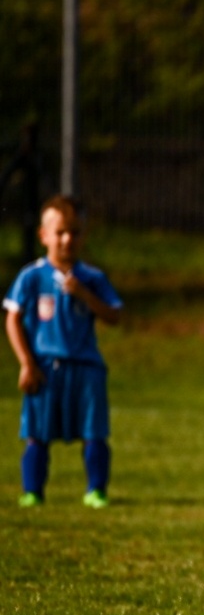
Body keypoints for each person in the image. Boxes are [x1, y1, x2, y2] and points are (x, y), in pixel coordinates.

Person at [5, 196, 123, 507]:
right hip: (44, 365)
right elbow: (12, 319)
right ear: (44, 235)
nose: (67, 239)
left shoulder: (91, 278)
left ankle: (96, 490)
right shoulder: (31, 277)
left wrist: (85, 296)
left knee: (94, 431)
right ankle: (33, 491)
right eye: (60, 232)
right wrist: (26, 363)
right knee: (37, 432)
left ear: (83, 235)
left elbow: (114, 315)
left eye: (74, 232)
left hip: (85, 367)